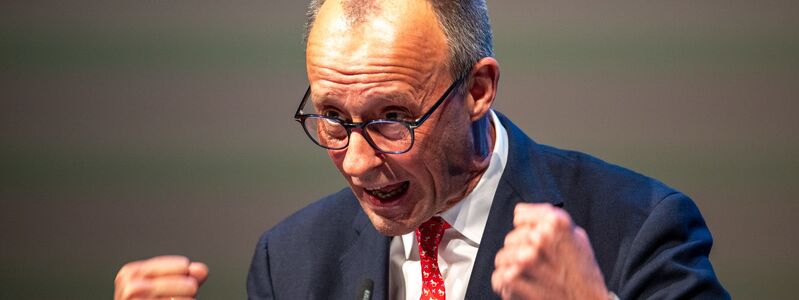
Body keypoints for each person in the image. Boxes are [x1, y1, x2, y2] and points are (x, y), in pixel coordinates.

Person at [114, 0, 730, 299]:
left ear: (478, 90)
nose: (357, 163)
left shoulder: (638, 228)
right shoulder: (290, 263)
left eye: (392, 119)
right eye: (333, 119)